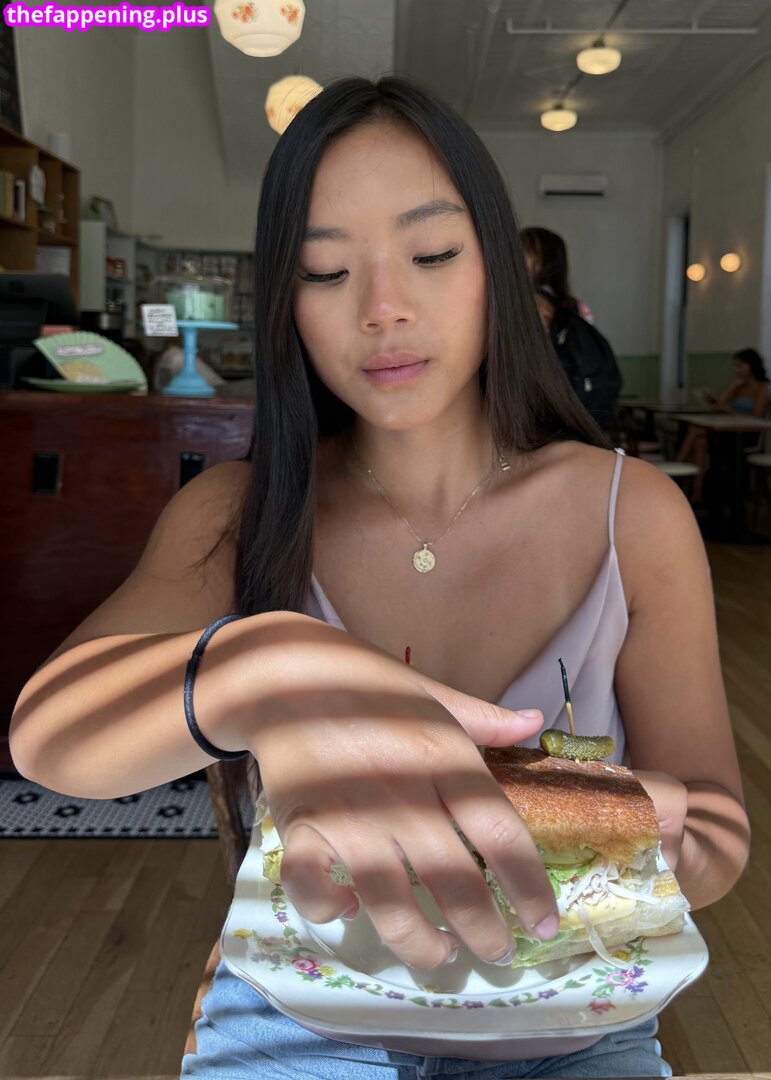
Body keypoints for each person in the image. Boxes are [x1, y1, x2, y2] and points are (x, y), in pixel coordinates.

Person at [9, 76, 749, 1079]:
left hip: (572, 1021)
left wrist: (641, 838)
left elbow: (716, 830)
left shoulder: (634, 513)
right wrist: (261, 669)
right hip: (297, 1023)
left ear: (498, 269)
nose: (383, 310)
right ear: (286, 302)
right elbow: (47, 739)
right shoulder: (239, 512)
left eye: (432, 254)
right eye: (325, 271)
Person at [520, 227, 623, 432]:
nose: (515, 256)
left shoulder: (535, 304)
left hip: (546, 419)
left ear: (545, 261)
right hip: (572, 420)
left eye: (525, 251)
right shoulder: (569, 305)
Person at [676, 348, 770, 505]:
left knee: (695, 429)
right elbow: (718, 403)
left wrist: (728, 410)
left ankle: (677, 469)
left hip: (746, 434)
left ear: (751, 365)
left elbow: (756, 417)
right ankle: (697, 493)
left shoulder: (762, 388)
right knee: (700, 442)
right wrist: (733, 385)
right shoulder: (738, 386)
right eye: (736, 365)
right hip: (726, 431)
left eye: (740, 365)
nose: (737, 369)